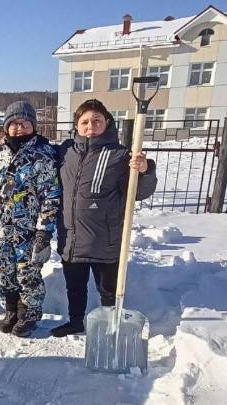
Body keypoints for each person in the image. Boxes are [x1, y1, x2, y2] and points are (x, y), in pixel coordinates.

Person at [51, 99, 158, 338]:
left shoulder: (120, 156)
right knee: (74, 287)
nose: (91, 126)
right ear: (76, 125)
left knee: (108, 289)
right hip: (72, 236)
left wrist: (145, 170)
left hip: (106, 238)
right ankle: (75, 321)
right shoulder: (65, 151)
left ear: (107, 123)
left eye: (96, 121)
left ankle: (112, 326)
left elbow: (139, 193)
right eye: (85, 121)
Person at [0, 101, 60, 337]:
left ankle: (29, 313)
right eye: (13, 123)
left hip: (28, 231)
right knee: (3, 271)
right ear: (6, 127)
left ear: (33, 125)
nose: (19, 128)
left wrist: (44, 231)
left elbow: (50, 195)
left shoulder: (44, 155)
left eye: (25, 123)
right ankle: (10, 310)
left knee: (27, 273)